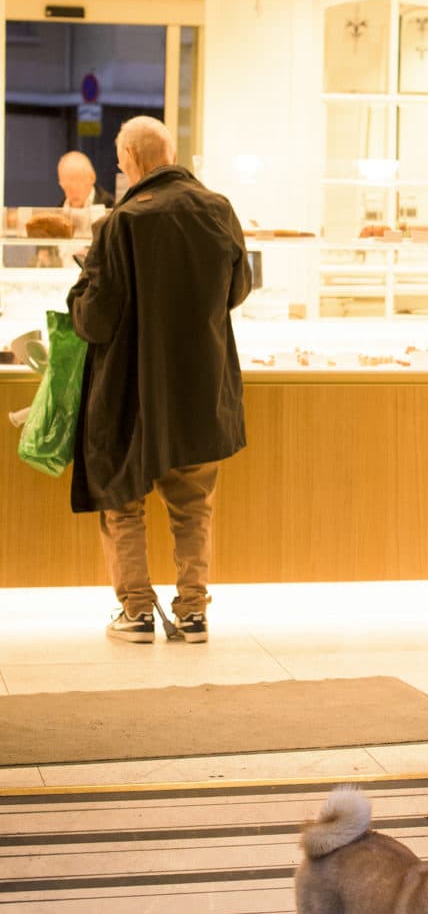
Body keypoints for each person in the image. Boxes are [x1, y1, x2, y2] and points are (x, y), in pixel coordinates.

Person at [67, 116, 251, 644]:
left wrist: (80, 289)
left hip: (134, 392)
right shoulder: (218, 210)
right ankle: (193, 613)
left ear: (131, 157)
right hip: (200, 387)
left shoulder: (122, 223)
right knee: (193, 504)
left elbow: (96, 320)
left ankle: (137, 613)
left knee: (122, 501)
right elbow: (237, 290)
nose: (119, 166)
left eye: (120, 158)